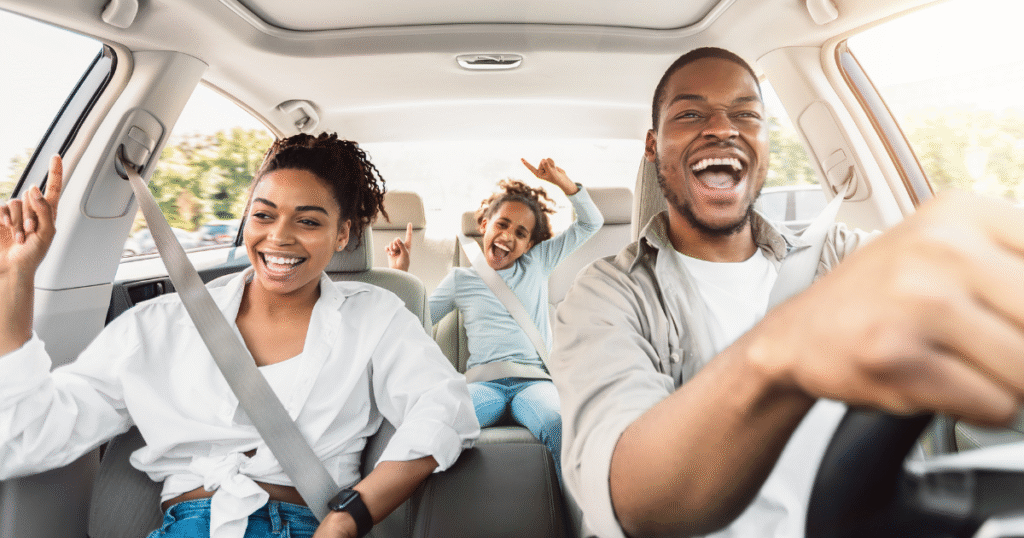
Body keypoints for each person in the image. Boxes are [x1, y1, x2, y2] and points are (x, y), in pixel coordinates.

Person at [550, 47, 1024, 538]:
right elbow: (631, 499)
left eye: (746, 114)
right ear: (653, 146)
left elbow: (939, 278)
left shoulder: (838, 256)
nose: (722, 128)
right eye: (691, 114)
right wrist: (779, 353)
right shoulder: (606, 296)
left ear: (765, 141)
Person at [0, 133, 479, 538]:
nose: (280, 237)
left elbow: (444, 407)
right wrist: (17, 279)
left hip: (305, 524)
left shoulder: (375, 315)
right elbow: (27, 434)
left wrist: (349, 516)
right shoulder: (159, 324)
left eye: (308, 221)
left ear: (342, 234)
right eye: (264, 215)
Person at [386, 158, 603, 480]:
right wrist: (399, 275)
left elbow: (590, 223)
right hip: (482, 386)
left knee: (559, 425)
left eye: (521, 233)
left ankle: (584, 519)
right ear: (484, 224)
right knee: (434, 425)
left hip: (534, 384)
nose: (508, 236)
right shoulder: (461, 279)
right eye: (502, 224)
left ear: (530, 244)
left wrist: (564, 184)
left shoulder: (537, 263)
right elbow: (416, 324)